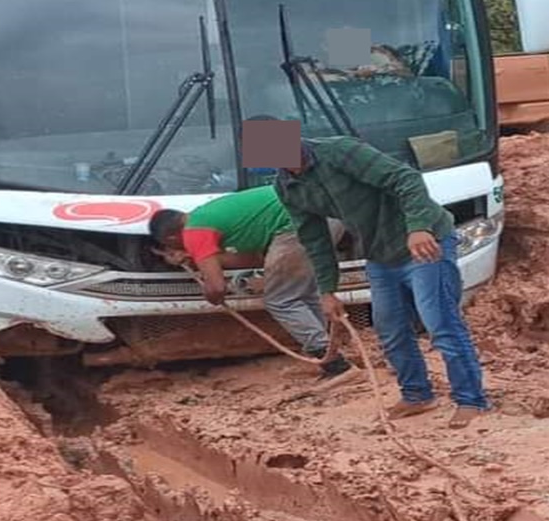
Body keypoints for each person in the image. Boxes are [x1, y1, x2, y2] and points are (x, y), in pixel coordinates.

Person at [273, 134, 489, 428]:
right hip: (380, 254)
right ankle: (416, 395)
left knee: (440, 323)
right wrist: (327, 290)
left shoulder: (339, 151)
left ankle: (471, 400)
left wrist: (418, 227)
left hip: (425, 243)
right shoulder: (287, 186)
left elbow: (406, 179)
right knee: (390, 330)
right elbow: (315, 239)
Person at [147, 184, 358, 383]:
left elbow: (217, 288)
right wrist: (197, 260)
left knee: (281, 300)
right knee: (301, 293)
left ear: (172, 238)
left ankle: (334, 364)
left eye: (170, 246)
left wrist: (210, 292)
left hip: (297, 223)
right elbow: (259, 259)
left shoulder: (194, 231)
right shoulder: (208, 216)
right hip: (324, 214)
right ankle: (329, 355)